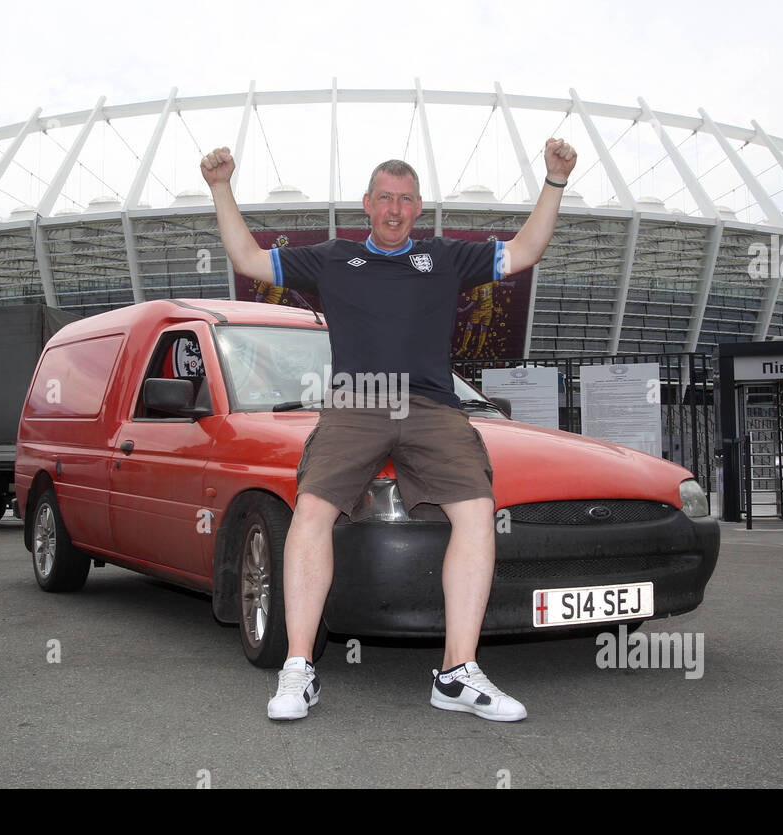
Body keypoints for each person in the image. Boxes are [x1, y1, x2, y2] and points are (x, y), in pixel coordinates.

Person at [201, 138, 577, 722]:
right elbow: (249, 260)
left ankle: (456, 673)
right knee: (311, 510)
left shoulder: (447, 257)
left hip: (431, 407)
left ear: (419, 208)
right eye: (384, 198)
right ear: (366, 205)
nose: (394, 209)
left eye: (405, 199)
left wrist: (554, 181)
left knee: (477, 509)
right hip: (355, 403)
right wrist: (222, 187)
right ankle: (298, 668)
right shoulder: (331, 258)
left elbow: (525, 250)